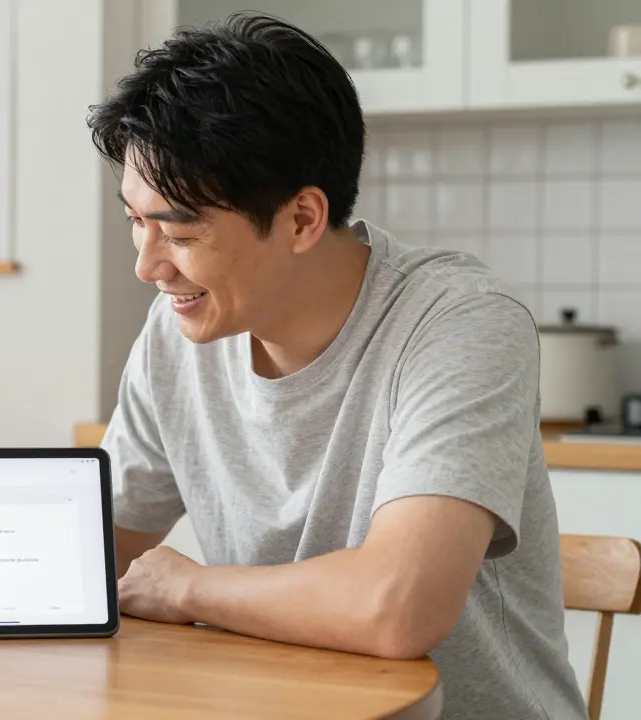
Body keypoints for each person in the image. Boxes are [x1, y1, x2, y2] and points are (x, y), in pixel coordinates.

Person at [88, 13, 587, 720]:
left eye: (180, 231)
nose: (148, 265)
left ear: (300, 219)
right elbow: (93, 547)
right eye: (136, 221)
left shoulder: (457, 323)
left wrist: (187, 589)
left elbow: (398, 606)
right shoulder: (181, 331)